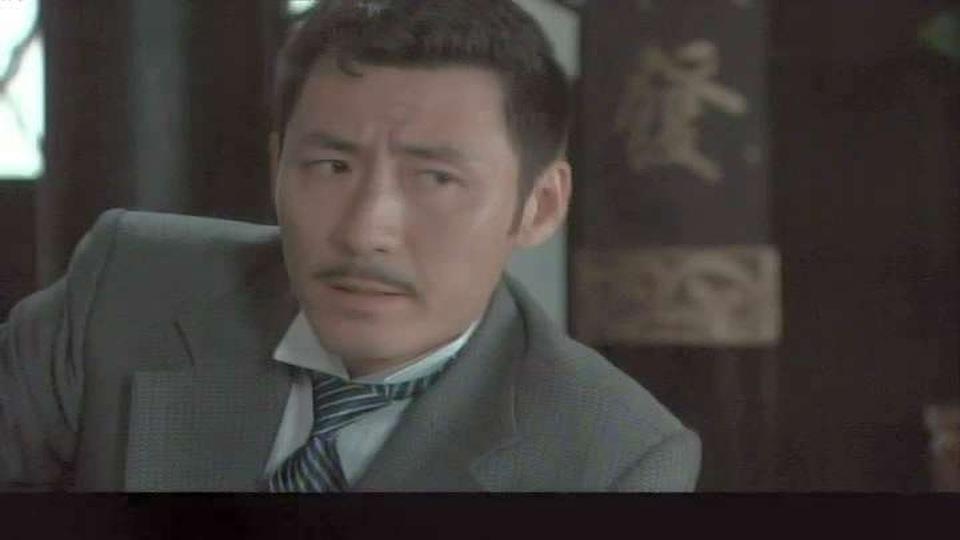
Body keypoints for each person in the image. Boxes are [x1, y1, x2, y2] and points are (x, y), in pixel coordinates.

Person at [0, 0, 700, 492]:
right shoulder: (127, 287)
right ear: (278, 163)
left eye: (436, 178)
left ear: (538, 206)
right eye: (331, 166)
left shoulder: (615, 457)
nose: (366, 230)